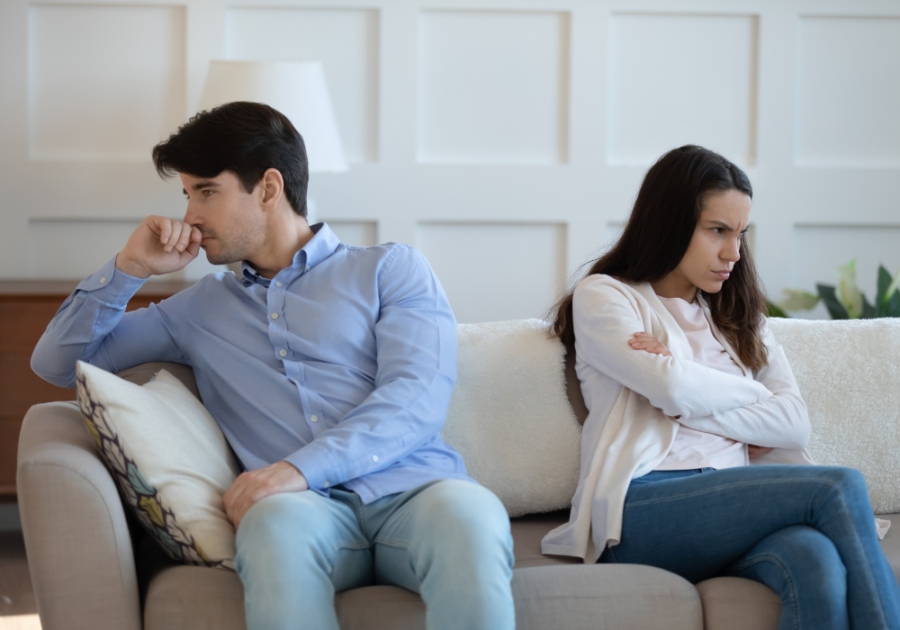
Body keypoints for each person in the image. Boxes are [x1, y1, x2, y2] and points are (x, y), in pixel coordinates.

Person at [31, 101, 514, 630]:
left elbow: (416, 396)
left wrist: (299, 469)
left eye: (207, 192)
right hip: (299, 512)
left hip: (415, 493)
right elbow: (55, 363)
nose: (190, 215)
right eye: (187, 195)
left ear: (267, 188)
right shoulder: (195, 310)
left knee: (472, 518)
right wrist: (128, 270)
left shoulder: (390, 270)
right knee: (271, 527)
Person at [541, 144, 900, 630]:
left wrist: (686, 397)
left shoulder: (741, 317)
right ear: (669, 223)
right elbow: (670, 388)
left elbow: (793, 424)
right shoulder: (606, 296)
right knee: (839, 484)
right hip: (644, 504)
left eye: (740, 234)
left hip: (734, 498)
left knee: (815, 560)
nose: (733, 252)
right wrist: (723, 397)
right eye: (717, 231)